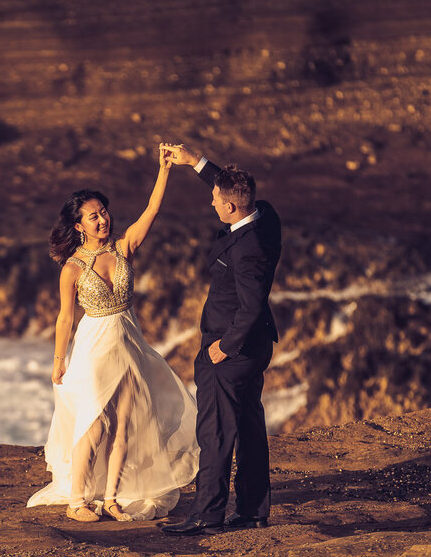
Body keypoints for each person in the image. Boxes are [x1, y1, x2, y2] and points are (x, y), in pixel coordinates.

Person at [27, 145, 198, 523]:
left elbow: (151, 210)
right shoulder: (71, 268)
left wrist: (164, 170)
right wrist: (59, 362)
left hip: (128, 339)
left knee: (125, 422)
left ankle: (111, 498)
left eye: (103, 212)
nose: (102, 220)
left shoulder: (124, 248)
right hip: (93, 347)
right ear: (79, 226)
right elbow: (64, 319)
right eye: (93, 216)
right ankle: (77, 501)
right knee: (93, 421)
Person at [159, 145, 282, 536]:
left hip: (232, 349)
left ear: (231, 208)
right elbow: (224, 185)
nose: (211, 202)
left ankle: (207, 515)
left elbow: (250, 305)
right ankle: (251, 512)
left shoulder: (249, 250)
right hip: (256, 344)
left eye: (216, 200)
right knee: (247, 426)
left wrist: (223, 347)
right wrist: (193, 160)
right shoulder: (265, 217)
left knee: (213, 431)